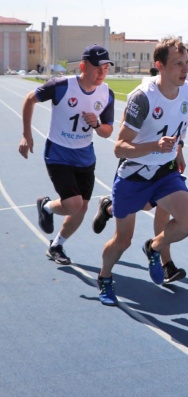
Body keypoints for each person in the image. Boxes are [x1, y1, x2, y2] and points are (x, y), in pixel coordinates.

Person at [96, 38, 188, 306]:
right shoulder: (142, 98)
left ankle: (154, 248)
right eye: (178, 64)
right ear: (159, 66)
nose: (185, 69)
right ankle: (105, 277)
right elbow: (119, 148)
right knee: (122, 241)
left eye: (187, 62)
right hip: (133, 175)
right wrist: (155, 145)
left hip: (165, 172)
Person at [18, 45, 115, 265]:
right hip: (59, 154)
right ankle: (46, 206)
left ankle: (56, 245)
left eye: (106, 68)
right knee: (73, 205)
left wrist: (97, 124)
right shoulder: (62, 85)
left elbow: (107, 132)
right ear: (83, 66)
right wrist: (26, 135)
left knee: (81, 208)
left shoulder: (106, 93)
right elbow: (29, 99)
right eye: (97, 67)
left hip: (85, 157)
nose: (102, 73)